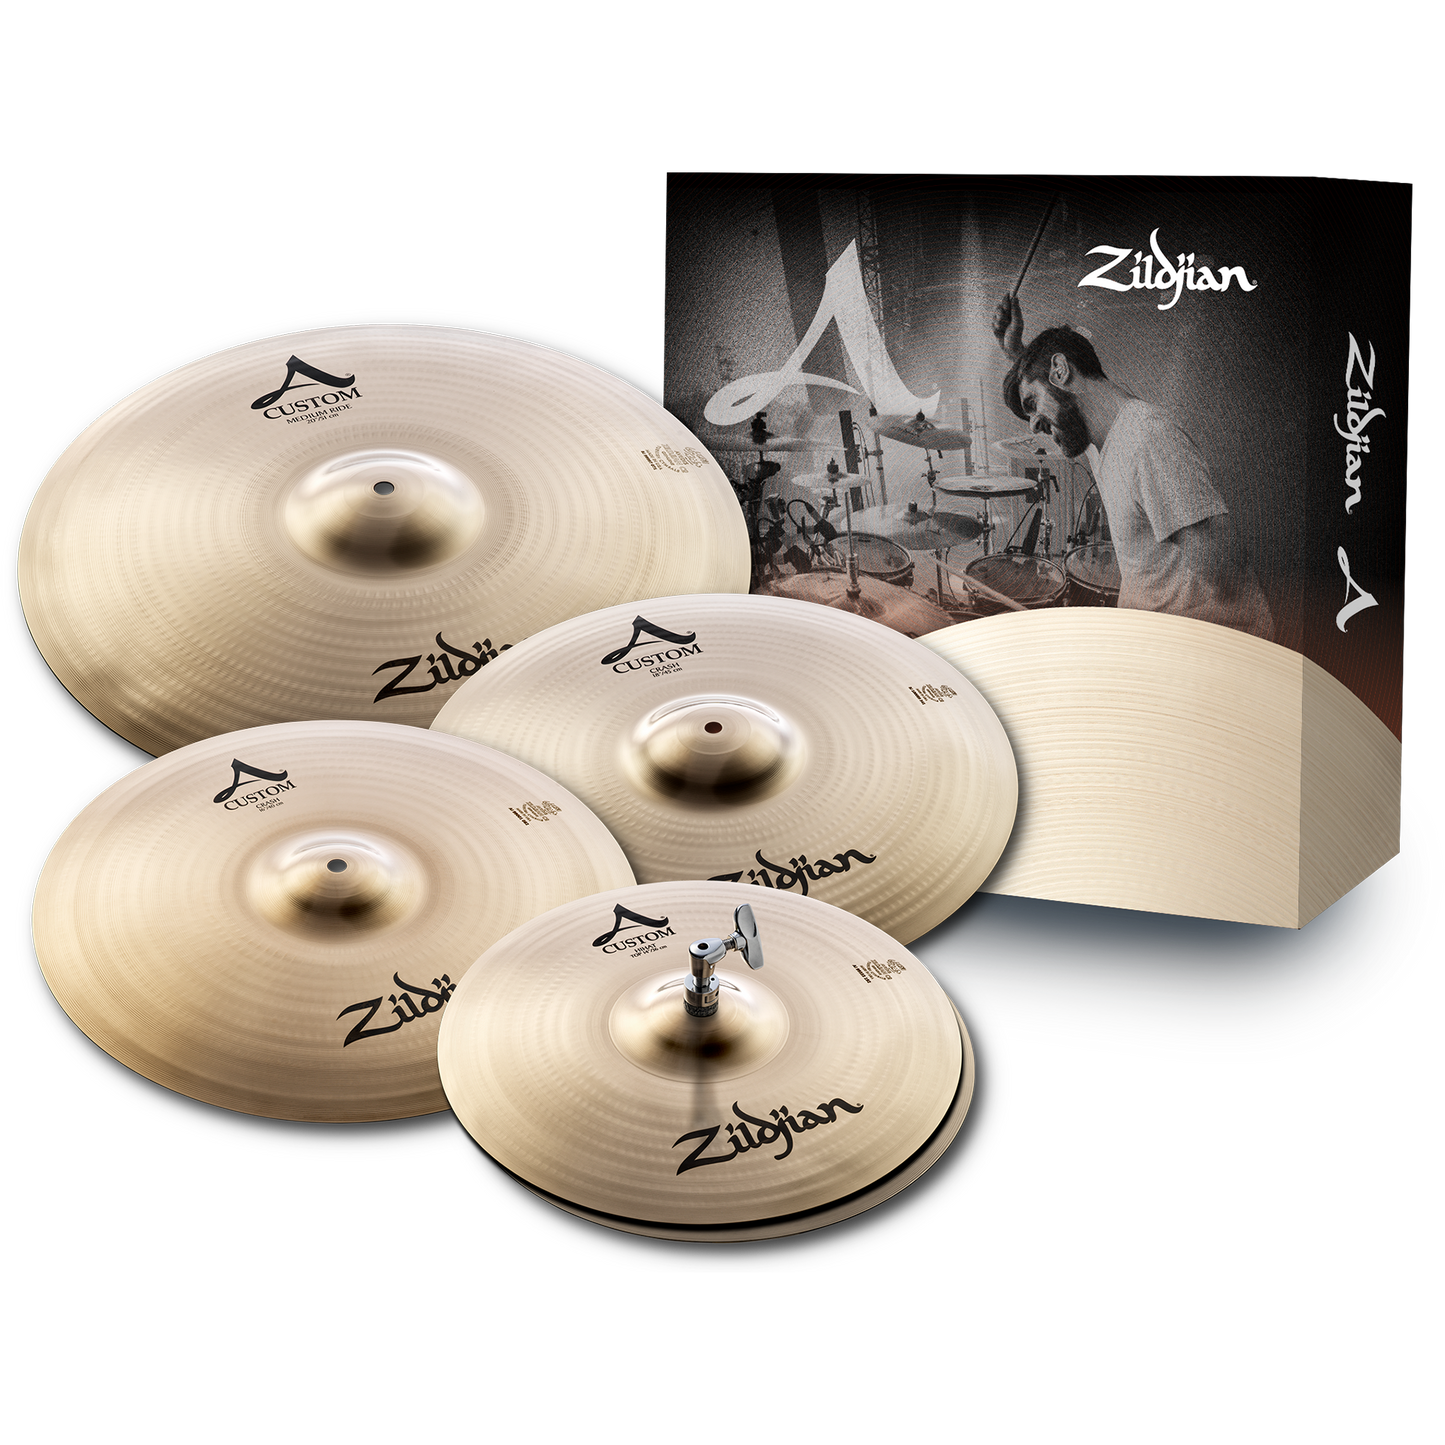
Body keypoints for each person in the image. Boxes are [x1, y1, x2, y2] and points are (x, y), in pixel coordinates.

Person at [991, 297, 1274, 640]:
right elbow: (1057, 392)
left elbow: (1226, 576)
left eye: (1032, 405)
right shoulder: (1099, 433)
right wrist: (1017, 353)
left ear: (1061, 371)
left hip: (1199, 650)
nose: (1034, 425)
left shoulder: (1149, 439)